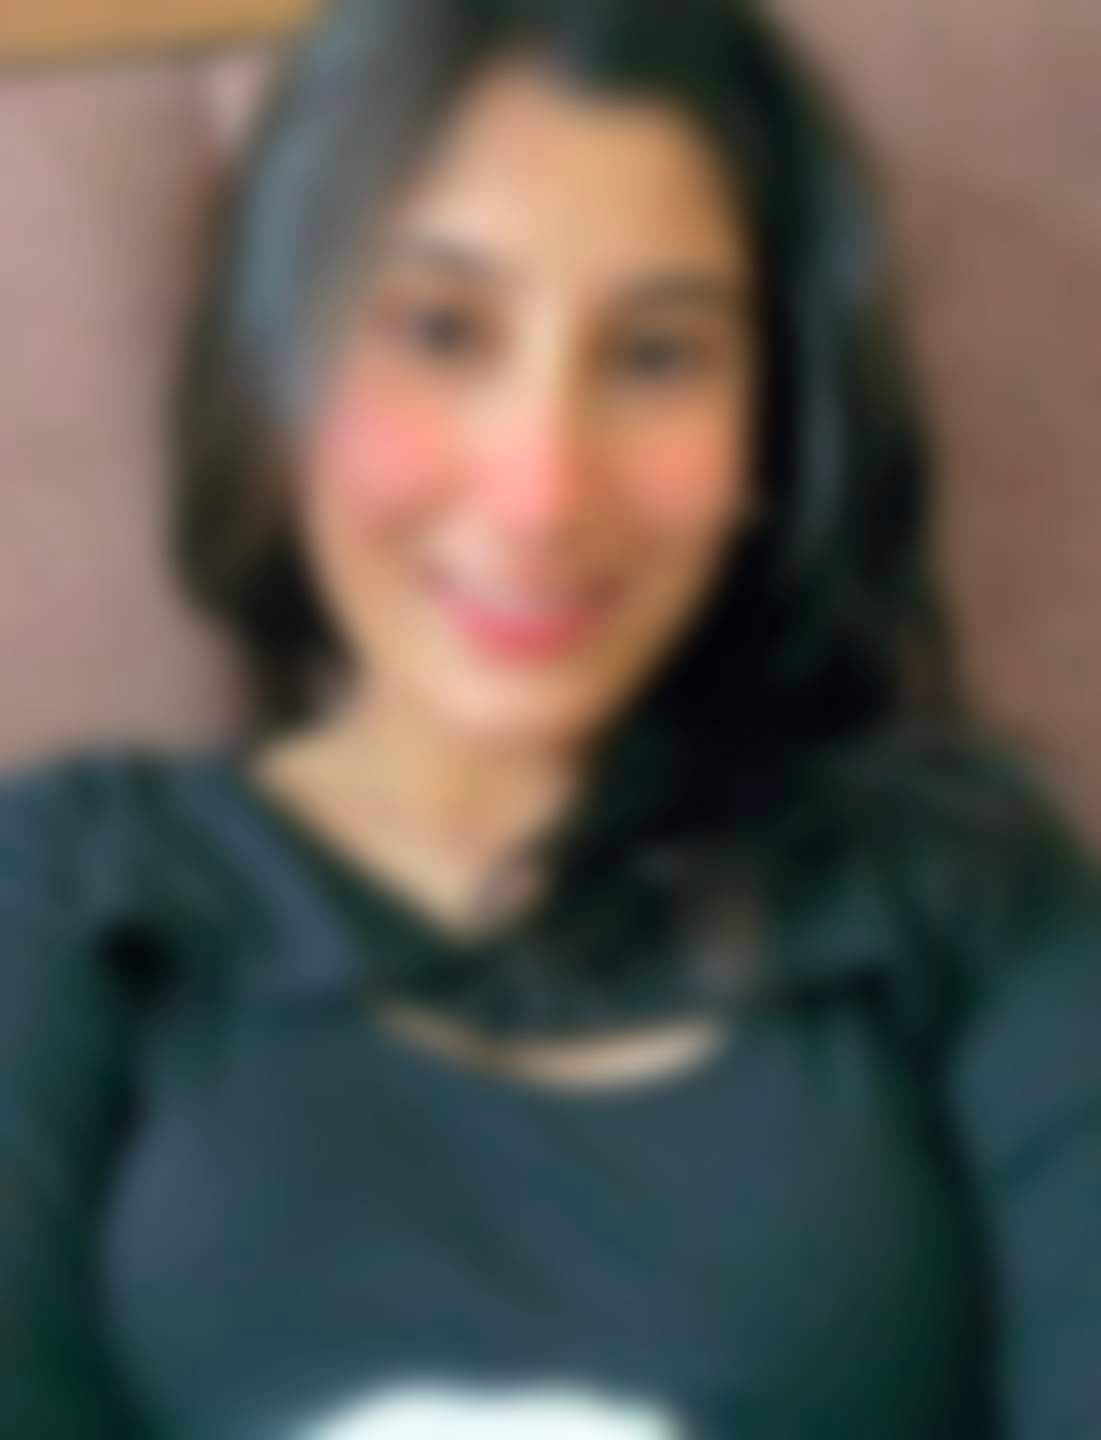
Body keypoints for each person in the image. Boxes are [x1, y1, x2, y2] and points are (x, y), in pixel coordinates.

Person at [2, 0, 1098, 1435]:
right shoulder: (69, 894)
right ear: (278, 372)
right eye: (441, 329)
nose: (541, 489)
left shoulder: (968, 900)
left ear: (772, 431)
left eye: (656, 355)